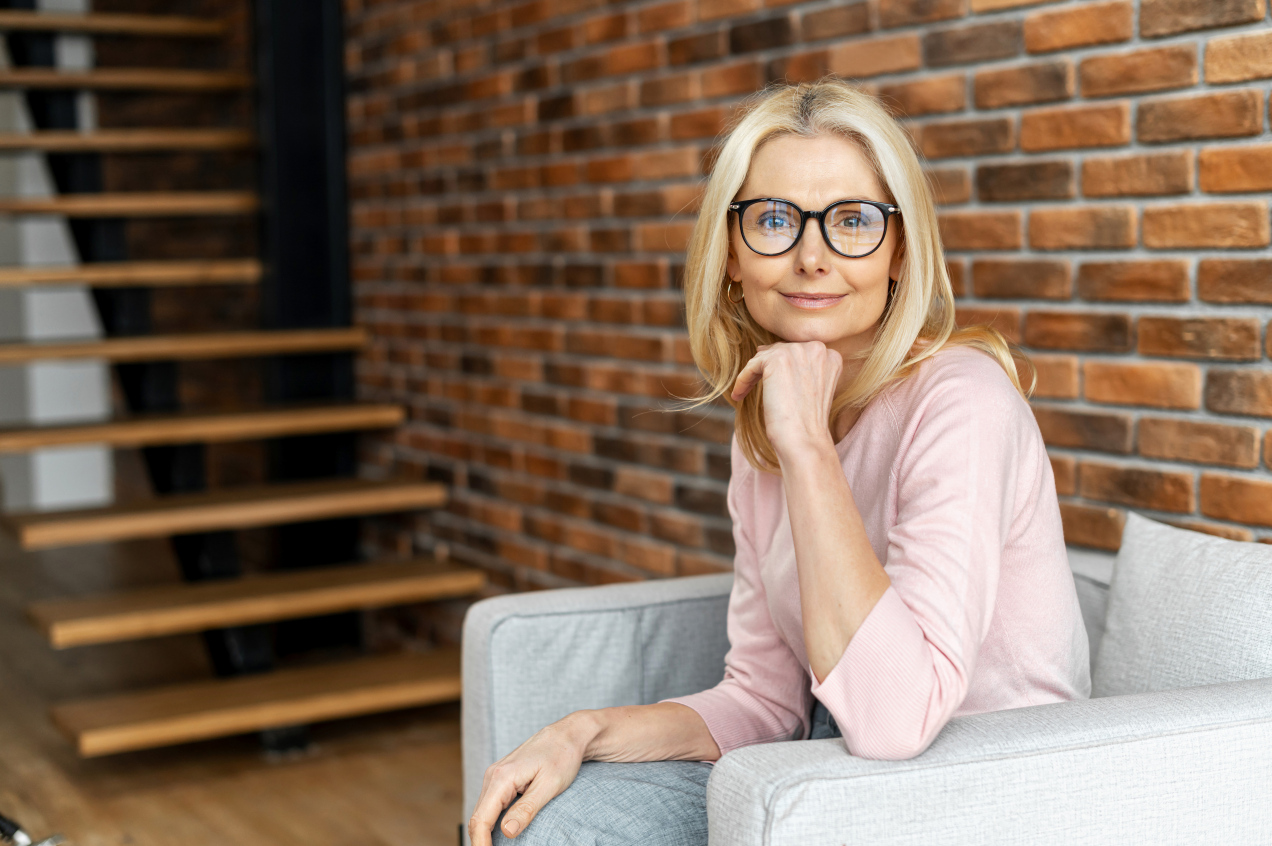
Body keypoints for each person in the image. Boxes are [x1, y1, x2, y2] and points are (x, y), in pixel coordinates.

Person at [467, 77, 1091, 846]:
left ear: (900, 250)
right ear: (731, 253)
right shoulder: (771, 424)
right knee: (544, 824)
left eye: (853, 221)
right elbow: (765, 702)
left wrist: (808, 449)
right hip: (835, 763)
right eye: (773, 220)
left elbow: (896, 720)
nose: (811, 257)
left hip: (986, 787)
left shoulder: (962, 402)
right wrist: (584, 730)